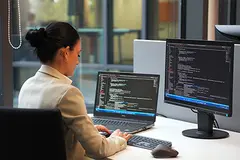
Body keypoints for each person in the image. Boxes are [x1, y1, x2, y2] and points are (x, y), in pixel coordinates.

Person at [18, 22, 132, 160]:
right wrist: (118, 140)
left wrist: (88, 130)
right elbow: (99, 149)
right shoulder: (67, 93)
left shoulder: (27, 86)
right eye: (77, 54)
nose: (78, 62)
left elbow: (44, 135)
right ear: (65, 53)